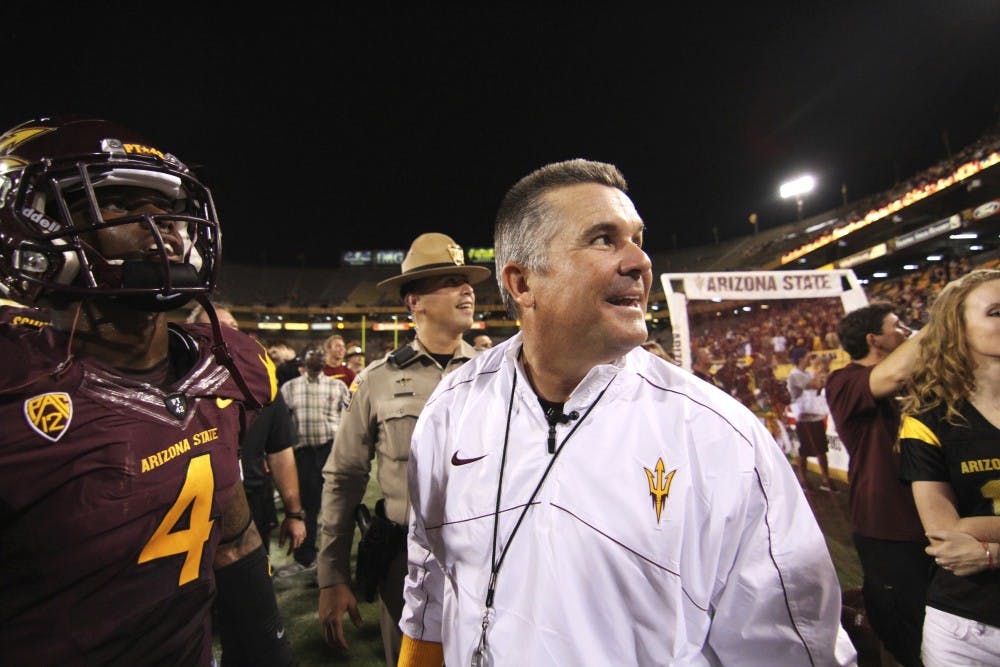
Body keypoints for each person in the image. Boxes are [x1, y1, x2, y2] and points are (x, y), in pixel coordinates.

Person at [398, 159, 855, 665]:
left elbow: (791, 645)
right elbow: (430, 577)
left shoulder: (721, 436)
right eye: (603, 239)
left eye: (638, 238)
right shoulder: (451, 409)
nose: (640, 261)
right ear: (523, 284)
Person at [0, 116, 294, 665]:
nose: (161, 227)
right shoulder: (13, 383)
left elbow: (229, 533)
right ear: (31, 225)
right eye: (118, 203)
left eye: (166, 209)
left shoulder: (222, 363)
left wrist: (264, 650)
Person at [317, 232, 489, 666]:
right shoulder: (376, 379)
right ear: (414, 301)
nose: (467, 289)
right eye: (450, 280)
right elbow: (344, 477)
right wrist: (331, 575)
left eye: (465, 280)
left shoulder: (497, 374)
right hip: (408, 563)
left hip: (489, 557)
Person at [899, 269, 1000, 665]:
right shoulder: (929, 419)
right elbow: (946, 533)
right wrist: (965, 534)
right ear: (957, 330)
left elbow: (967, 531)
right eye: (996, 311)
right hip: (963, 630)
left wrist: (990, 552)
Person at [825, 302, 930, 666]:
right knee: (899, 633)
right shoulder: (844, 381)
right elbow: (892, 377)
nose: (905, 331)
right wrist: (945, 318)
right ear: (875, 340)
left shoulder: (918, 375)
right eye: (896, 325)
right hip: (888, 525)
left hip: (936, 521)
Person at [189, 304, 307, 556]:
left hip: (253, 500)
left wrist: (294, 512)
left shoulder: (262, 387)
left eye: (234, 327)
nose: (230, 334)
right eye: (220, 328)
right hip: (196, 508)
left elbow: (280, 451)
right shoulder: (180, 390)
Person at [278, 344, 350, 575]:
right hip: (305, 454)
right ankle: (306, 556)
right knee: (308, 507)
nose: (317, 359)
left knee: (336, 506)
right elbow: (282, 425)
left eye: (320, 355)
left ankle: (336, 558)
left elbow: (348, 420)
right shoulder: (290, 388)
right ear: (304, 360)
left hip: (331, 451)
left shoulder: (337, 386)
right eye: (312, 355)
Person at [788, 345, 836, 492]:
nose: (811, 359)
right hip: (804, 417)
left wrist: (826, 366)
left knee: (822, 449)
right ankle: (803, 479)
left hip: (815, 415)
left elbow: (823, 382)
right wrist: (819, 368)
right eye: (808, 357)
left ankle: (825, 480)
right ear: (800, 358)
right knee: (805, 451)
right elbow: (815, 384)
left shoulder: (808, 372)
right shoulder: (794, 375)